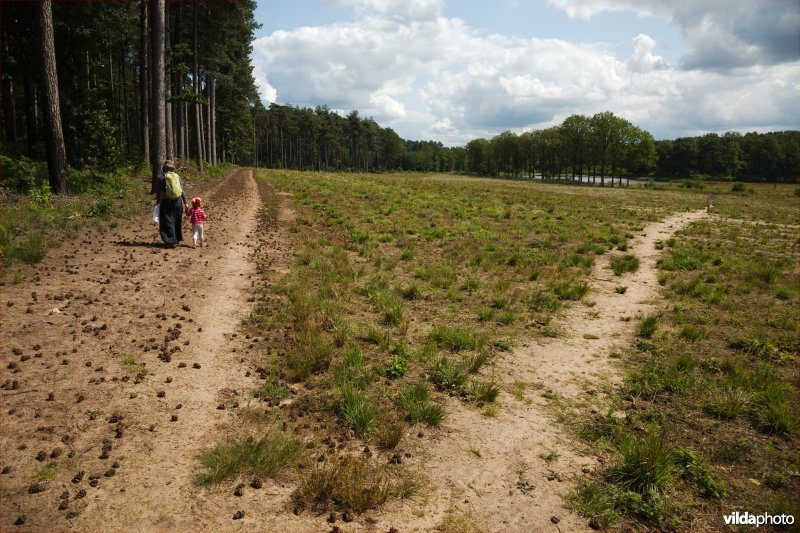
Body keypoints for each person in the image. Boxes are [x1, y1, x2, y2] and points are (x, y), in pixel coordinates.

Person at [154, 160, 188, 247]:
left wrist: (158, 201)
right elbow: (182, 190)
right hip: (178, 202)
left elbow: (158, 191)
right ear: (172, 168)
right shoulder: (177, 176)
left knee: (168, 220)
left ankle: (170, 241)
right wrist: (185, 203)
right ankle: (177, 238)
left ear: (164, 167)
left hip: (166, 201)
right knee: (177, 220)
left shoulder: (160, 177)